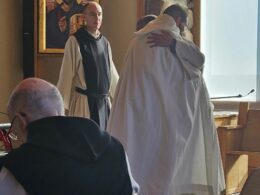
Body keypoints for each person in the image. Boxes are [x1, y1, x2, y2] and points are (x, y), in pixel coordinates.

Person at [108, 4, 225, 195]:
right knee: (163, 162)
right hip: (165, 115)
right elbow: (199, 61)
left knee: (140, 157)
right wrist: (174, 43)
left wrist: (174, 44)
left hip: (138, 113)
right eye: (184, 25)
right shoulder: (172, 37)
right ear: (178, 20)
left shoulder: (137, 41)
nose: (182, 30)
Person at [0, 78, 137, 195]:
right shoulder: (114, 149)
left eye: (13, 126)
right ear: (60, 109)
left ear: (22, 120)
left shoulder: (16, 167)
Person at [57, 1, 119, 131]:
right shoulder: (75, 41)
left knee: (104, 144)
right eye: (93, 14)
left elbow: (111, 74)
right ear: (84, 17)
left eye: (100, 14)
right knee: (83, 145)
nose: (97, 18)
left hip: (104, 104)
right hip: (84, 104)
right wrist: (60, 107)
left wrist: (120, 95)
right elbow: (66, 75)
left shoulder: (105, 43)